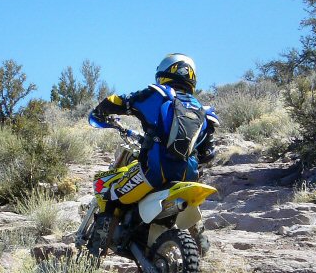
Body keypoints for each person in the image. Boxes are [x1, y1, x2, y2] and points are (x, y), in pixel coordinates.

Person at [88, 53, 218, 248]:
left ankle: (93, 256)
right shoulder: (205, 112)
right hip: (188, 176)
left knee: (110, 194)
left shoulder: (158, 95)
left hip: (154, 172)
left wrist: (100, 112)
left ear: (165, 72)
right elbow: (208, 154)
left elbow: (120, 101)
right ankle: (201, 243)